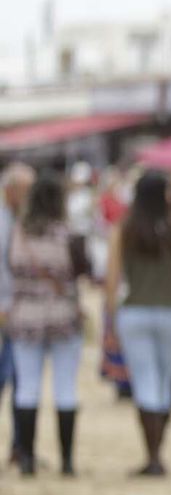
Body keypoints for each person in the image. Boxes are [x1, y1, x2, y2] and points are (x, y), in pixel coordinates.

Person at [102, 171, 171, 476]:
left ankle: (152, 456)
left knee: (145, 382)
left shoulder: (126, 228)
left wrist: (110, 319)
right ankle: (159, 452)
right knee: (163, 384)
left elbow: (112, 279)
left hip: (134, 312)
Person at [6, 170, 86, 476]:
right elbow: (83, 270)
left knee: (27, 387)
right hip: (63, 316)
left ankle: (26, 458)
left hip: (25, 316)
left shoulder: (19, 233)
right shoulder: (68, 234)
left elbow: (10, 269)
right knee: (66, 387)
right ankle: (67, 461)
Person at [0, 162, 36, 467]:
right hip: (5, 308)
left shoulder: (25, 220)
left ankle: (18, 446)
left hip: (19, 312)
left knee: (20, 379)